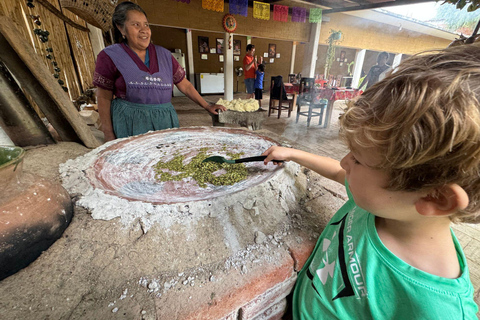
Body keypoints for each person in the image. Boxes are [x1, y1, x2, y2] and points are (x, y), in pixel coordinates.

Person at [262, 44, 480, 319]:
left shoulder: (439, 310)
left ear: (434, 197)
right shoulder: (385, 203)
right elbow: (340, 173)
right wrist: (292, 153)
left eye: (359, 160)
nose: (344, 162)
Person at [93, 2, 225, 142]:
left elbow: (185, 85)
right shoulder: (110, 56)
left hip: (165, 122)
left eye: (146, 25)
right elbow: (103, 97)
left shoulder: (165, 55)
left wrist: (207, 105)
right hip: (130, 123)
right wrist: (108, 133)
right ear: (121, 28)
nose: (144, 30)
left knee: (166, 159)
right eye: (136, 25)